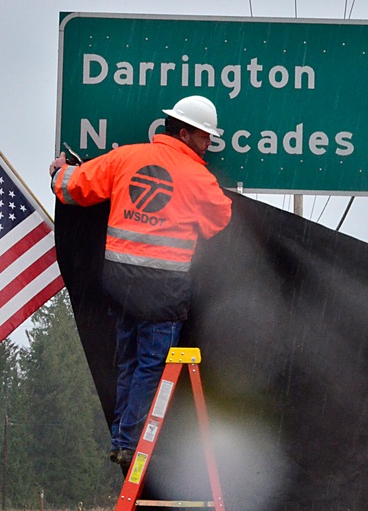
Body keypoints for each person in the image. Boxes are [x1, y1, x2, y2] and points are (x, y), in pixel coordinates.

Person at [50, 95, 233, 471]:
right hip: (162, 291)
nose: (209, 144)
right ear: (184, 134)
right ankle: (131, 441)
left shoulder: (127, 158)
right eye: (205, 137)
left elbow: (74, 188)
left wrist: (59, 172)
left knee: (129, 362)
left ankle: (122, 438)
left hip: (120, 284)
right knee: (152, 366)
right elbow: (219, 220)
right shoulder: (198, 178)